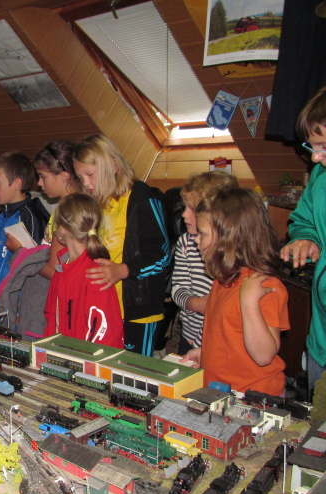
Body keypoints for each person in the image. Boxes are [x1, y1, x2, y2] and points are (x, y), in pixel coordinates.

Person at [73, 134, 170, 356]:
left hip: (138, 310)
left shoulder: (142, 198)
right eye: (80, 177)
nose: (85, 183)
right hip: (103, 305)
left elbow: (161, 254)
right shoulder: (94, 202)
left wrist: (124, 270)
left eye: (90, 174)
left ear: (113, 166)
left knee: (133, 371)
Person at [185, 188, 289, 396]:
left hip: (253, 396)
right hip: (220, 389)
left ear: (229, 239)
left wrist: (248, 301)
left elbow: (263, 355)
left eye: (202, 234)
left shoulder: (264, 286)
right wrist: (207, 355)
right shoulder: (223, 280)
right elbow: (230, 336)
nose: (196, 240)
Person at [280, 84, 326, 400]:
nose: (316, 157)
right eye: (313, 147)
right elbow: (303, 219)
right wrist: (306, 237)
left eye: (323, 146)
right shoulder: (320, 176)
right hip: (320, 341)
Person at [171, 171, 238, 355]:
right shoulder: (185, 243)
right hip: (189, 335)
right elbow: (178, 288)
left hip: (218, 340)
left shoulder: (230, 253)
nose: (184, 214)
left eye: (192, 209)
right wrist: (195, 304)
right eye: (184, 207)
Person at [44, 194, 123, 347]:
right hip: (61, 354)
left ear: (61, 230)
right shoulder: (62, 269)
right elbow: (51, 318)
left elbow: (105, 336)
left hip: (85, 359)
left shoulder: (96, 274)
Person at [0, 151, 49, 315]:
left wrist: (20, 311)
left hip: (10, 309)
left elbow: (32, 268)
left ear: (17, 184)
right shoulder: (0, 217)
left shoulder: (29, 217)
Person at [33, 140, 79, 280]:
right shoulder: (66, 207)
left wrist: (21, 254)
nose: (39, 183)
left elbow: (54, 271)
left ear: (64, 176)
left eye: (43, 176)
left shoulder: (69, 213)